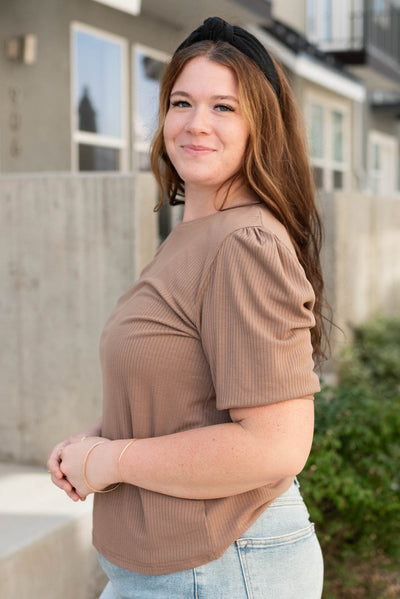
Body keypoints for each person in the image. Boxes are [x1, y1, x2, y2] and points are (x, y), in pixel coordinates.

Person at [48, 16, 325, 599]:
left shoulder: (243, 244)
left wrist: (114, 460)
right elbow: (185, 394)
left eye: (224, 107)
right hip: (174, 569)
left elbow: (275, 445)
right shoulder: (194, 236)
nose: (196, 124)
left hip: (224, 564)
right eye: (181, 102)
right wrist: (92, 444)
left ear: (260, 126)